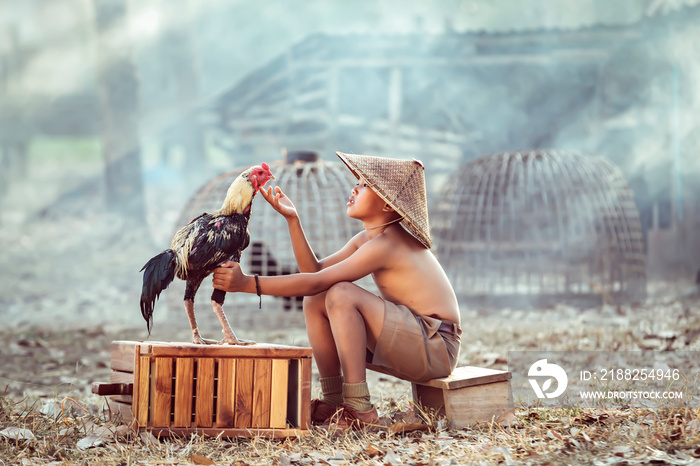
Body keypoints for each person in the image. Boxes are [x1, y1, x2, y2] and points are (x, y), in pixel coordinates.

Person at [212, 152, 462, 429]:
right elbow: (315, 273)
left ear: (388, 206)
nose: (354, 188)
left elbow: (319, 280)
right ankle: (333, 402)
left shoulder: (389, 243)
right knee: (317, 299)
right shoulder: (368, 238)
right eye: (357, 182)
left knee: (341, 293)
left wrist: (249, 284)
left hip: (436, 346)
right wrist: (293, 221)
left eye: (365, 185)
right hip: (413, 340)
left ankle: (359, 408)